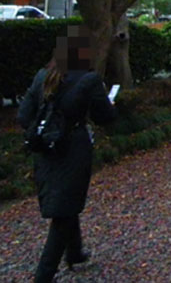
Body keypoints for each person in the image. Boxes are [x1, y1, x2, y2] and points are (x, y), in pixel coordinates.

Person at [17, 30, 116, 283]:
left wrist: (46, 131)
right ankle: (44, 275)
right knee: (63, 212)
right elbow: (105, 117)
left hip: (45, 152)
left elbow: (23, 116)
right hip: (73, 150)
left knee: (66, 203)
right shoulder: (89, 79)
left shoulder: (43, 76)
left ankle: (75, 252)